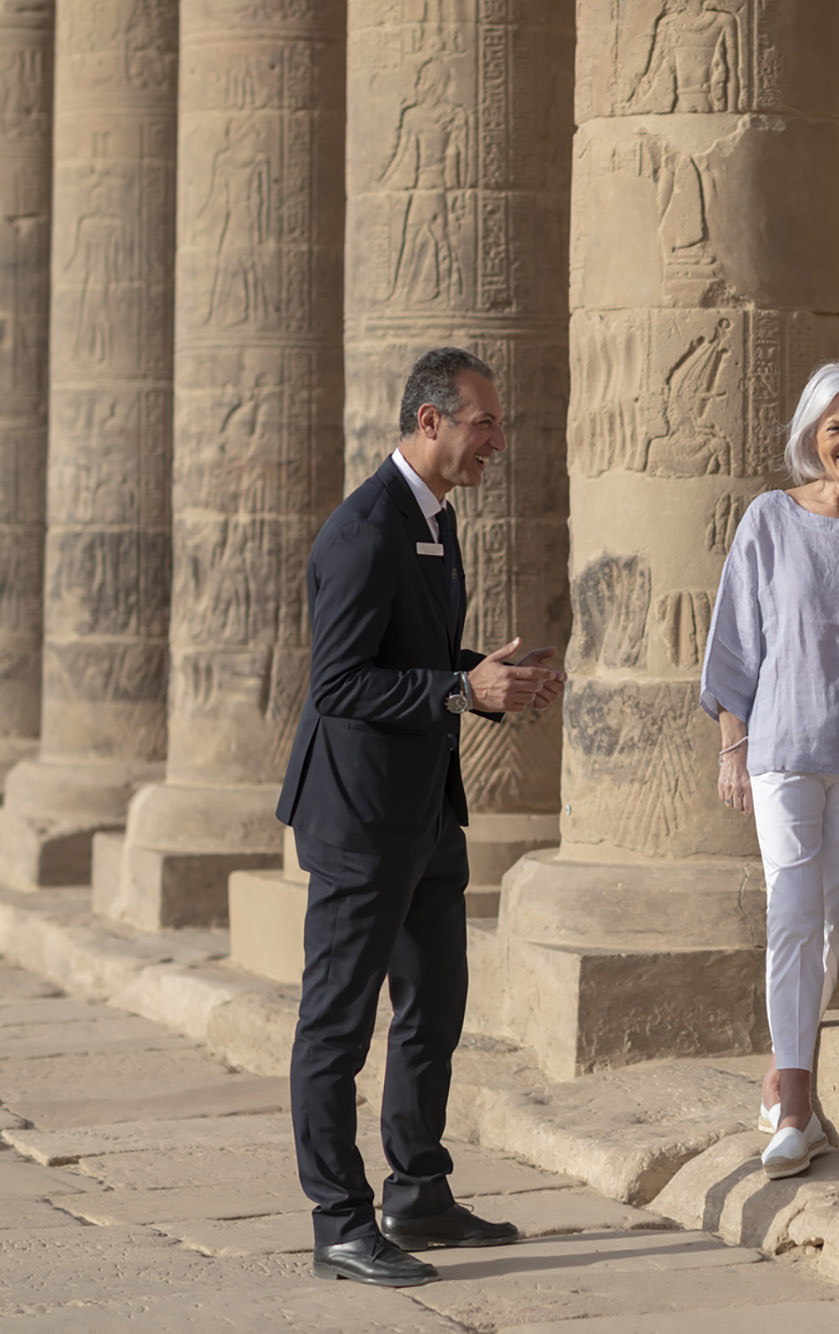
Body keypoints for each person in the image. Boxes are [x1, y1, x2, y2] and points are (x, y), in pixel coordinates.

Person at [279, 347, 564, 1288]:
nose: (497, 441)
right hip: (360, 819)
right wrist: (457, 684)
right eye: (484, 422)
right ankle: (340, 1221)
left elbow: (420, 654)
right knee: (337, 1022)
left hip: (425, 813)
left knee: (436, 1003)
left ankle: (418, 1191)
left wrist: (495, 681)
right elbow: (340, 684)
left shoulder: (435, 519)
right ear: (431, 421)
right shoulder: (362, 530)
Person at [700, 358, 839, 1181]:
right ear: (811, 436)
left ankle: (781, 1071)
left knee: (834, 921)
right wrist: (734, 744)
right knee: (793, 907)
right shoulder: (769, 519)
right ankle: (797, 1104)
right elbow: (736, 637)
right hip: (785, 749)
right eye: (835, 427)